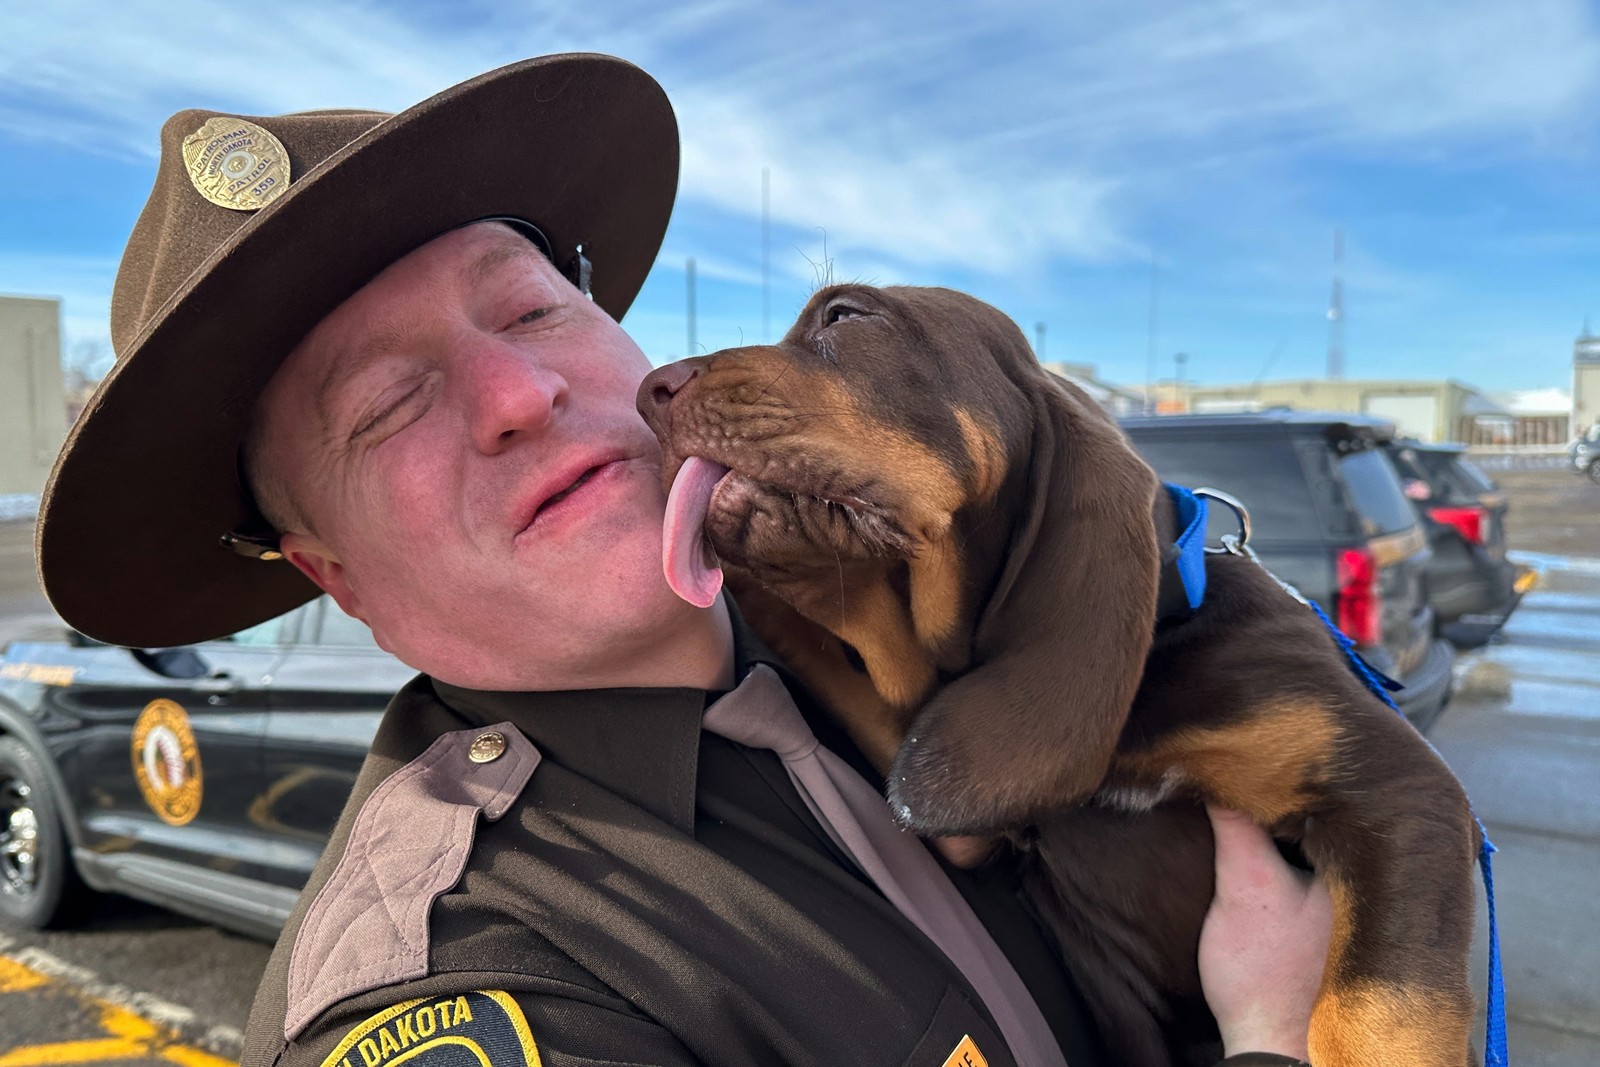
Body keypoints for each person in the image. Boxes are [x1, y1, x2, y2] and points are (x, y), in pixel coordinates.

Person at [37, 55, 1331, 1067]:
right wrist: (1271, 1038)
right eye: (385, 407)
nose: (519, 390)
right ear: (339, 583)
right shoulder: (474, 977)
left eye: (535, 307)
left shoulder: (921, 629)